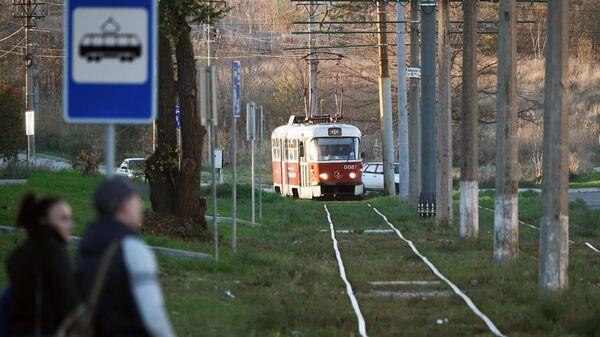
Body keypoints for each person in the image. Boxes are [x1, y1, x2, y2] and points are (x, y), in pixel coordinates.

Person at [76, 178, 176, 337]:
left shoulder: (86, 242)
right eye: (136, 199)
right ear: (124, 206)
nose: (141, 206)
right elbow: (153, 316)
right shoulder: (133, 248)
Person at [5, 193, 77, 337]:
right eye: (64, 219)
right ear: (43, 220)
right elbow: (68, 302)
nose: (71, 225)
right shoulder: (54, 251)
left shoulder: (19, 252)